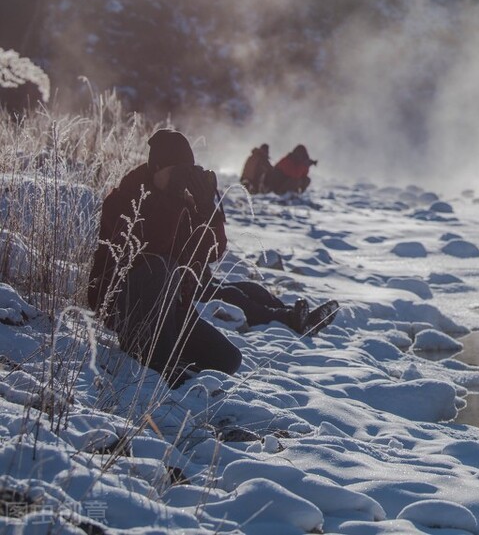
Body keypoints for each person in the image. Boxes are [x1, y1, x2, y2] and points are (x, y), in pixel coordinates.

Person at [89, 130, 339, 385]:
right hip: (123, 305)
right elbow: (152, 247)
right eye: (177, 172)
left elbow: (211, 253)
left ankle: (290, 317)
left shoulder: (182, 202)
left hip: (170, 309)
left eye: (187, 172)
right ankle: (155, 358)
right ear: (156, 167)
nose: (181, 180)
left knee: (227, 359)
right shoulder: (125, 198)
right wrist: (181, 207)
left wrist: (208, 210)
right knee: (162, 268)